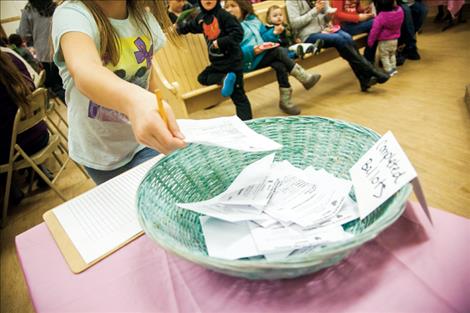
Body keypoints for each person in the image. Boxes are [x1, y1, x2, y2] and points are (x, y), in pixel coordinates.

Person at [51, 0, 186, 185]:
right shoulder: (72, 14)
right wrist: (136, 101)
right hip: (99, 152)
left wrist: (157, 108)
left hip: (143, 142)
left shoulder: (143, 17)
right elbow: (84, 69)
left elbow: (148, 74)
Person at [225, 0, 321, 115]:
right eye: (226, 7)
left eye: (233, 6)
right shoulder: (228, 28)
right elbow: (232, 53)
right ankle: (304, 77)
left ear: (242, 6)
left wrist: (274, 33)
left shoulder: (253, 20)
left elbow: (264, 38)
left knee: (280, 65)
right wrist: (252, 50)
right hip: (245, 62)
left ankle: (285, 101)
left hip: (258, 57)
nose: (229, 9)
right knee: (278, 51)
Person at [286, 0, 389, 92]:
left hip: (324, 30)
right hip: (308, 36)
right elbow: (295, 23)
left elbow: (325, 16)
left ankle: (364, 80)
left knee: (348, 38)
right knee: (339, 40)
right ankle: (371, 71)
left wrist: (328, 18)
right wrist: (315, 11)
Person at [176, 0, 254, 120]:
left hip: (233, 64)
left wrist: (221, 42)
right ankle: (224, 80)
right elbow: (192, 27)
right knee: (202, 77)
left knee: (239, 98)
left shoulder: (225, 16)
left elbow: (238, 33)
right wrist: (179, 29)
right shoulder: (201, 17)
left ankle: (247, 126)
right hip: (218, 65)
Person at [0, 50, 51, 205]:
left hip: (17, 148)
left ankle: (9, 190)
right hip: (40, 133)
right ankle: (36, 171)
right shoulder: (10, 58)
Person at [19, 0, 65, 101]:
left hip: (45, 54)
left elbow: (23, 34)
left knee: (57, 86)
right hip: (64, 49)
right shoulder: (56, 4)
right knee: (69, 82)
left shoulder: (29, 9)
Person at [368, 0, 404, 76]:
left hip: (384, 41)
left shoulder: (381, 16)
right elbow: (398, 7)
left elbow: (374, 30)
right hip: (395, 39)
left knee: (384, 56)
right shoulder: (399, 12)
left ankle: (388, 70)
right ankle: (393, 68)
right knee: (392, 54)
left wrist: (370, 42)